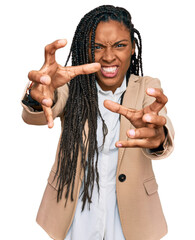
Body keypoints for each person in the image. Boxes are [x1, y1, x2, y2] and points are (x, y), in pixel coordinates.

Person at [21, 5, 174, 240]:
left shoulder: (146, 86)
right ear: (86, 49)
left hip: (130, 214)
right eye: (97, 47)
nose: (109, 56)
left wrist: (158, 138)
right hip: (75, 211)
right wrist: (37, 95)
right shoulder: (72, 84)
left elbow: (161, 129)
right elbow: (39, 112)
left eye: (120, 45)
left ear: (133, 48)